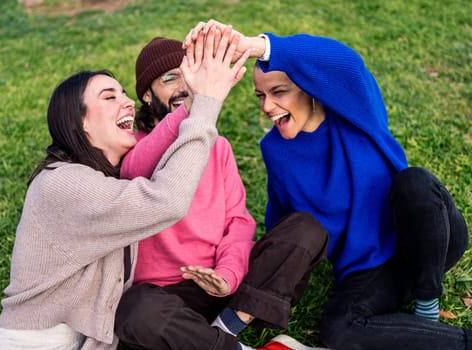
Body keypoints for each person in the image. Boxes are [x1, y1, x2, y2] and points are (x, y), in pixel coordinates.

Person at [184, 20, 472, 350]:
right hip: (369, 270)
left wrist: (259, 46)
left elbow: (345, 61)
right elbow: (283, 224)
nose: (267, 106)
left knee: (414, 182)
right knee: (339, 330)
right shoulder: (275, 150)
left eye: (279, 92)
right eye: (261, 96)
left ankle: (427, 309)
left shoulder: (357, 116)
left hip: (429, 243)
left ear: (311, 89)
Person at [0, 24, 249, 350]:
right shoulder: (62, 183)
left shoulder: (105, 180)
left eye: (124, 94)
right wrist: (204, 103)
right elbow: (167, 201)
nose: (128, 103)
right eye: (110, 96)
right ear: (79, 122)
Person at [113, 27, 329, 350]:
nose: (185, 85)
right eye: (172, 78)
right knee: (133, 310)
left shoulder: (219, 147)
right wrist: (196, 106)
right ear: (147, 94)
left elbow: (238, 222)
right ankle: (231, 346)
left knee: (306, 230)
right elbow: (134, 170)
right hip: (165, 295)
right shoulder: (133, 147)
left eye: (190, 75)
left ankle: (226, 326)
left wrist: (227, 275)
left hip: (225, 287)